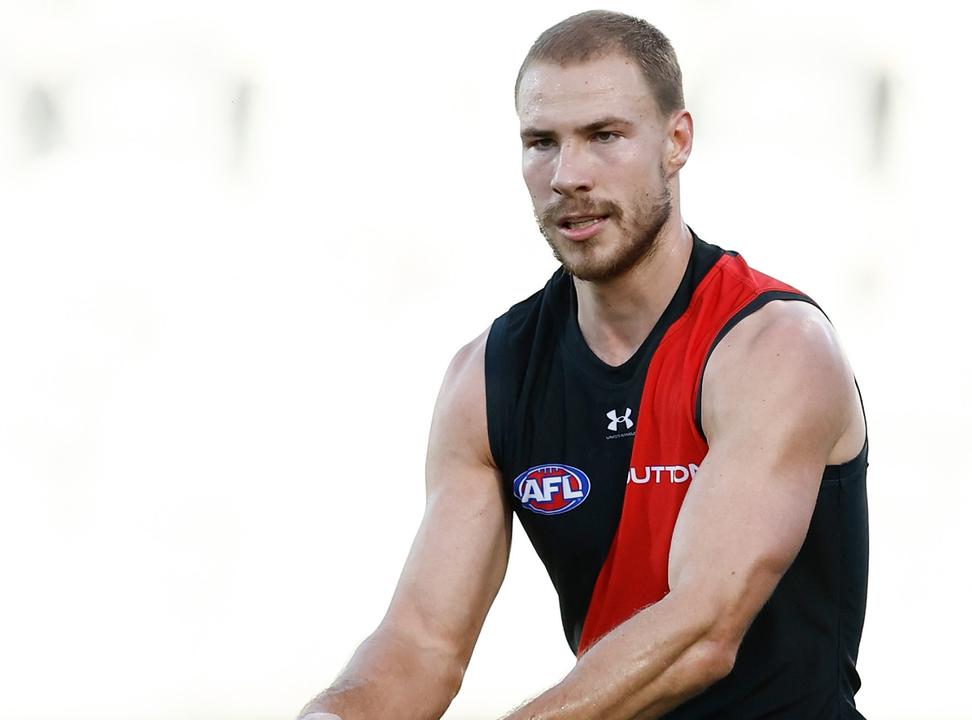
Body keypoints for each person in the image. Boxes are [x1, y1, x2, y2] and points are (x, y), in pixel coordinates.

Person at [298, 10, 868, 720]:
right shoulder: (487, 378)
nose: (568, 175)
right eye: (542, 143)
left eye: (604, 136)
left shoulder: (773, 345)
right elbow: (421, 648)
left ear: (677, 141)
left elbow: (703, 632)